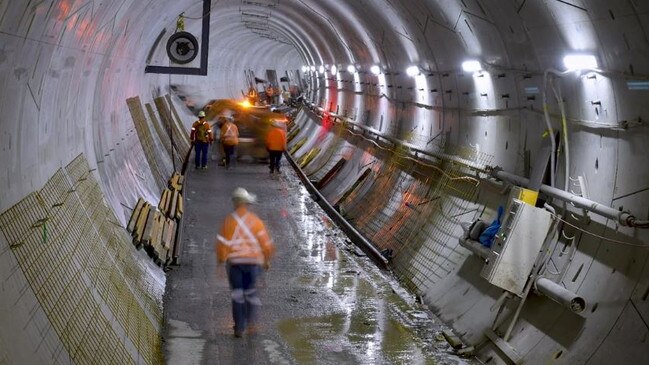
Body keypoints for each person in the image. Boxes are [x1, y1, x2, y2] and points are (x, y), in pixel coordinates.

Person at [216, 188, 275, 337]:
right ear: (247, 203)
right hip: (252, 264)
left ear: (235, 204)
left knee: (237, 295)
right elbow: (266, 244)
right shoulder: (256, 222)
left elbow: (222, 244)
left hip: (235, 265)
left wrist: (221, 262)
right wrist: (266, 260)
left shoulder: (229, 221)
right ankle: (251, 324)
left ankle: (239, 328)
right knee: (250, 293)